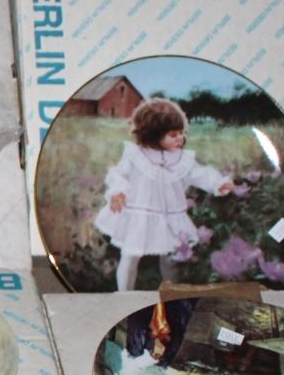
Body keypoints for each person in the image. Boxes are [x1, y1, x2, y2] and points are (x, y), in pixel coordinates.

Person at [94, 98, 234, 292]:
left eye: (181, 133)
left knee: (171, 258)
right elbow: (118, 175)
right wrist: (117, 193)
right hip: (139, 214)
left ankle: (171, 292)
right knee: (130, 255)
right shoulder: (135, 155)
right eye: (173, 135)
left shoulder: (182, 159)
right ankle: (124, 294)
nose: (180, 138)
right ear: (153, 135)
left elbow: (199, 173)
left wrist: (218, 183)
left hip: (171, 217)